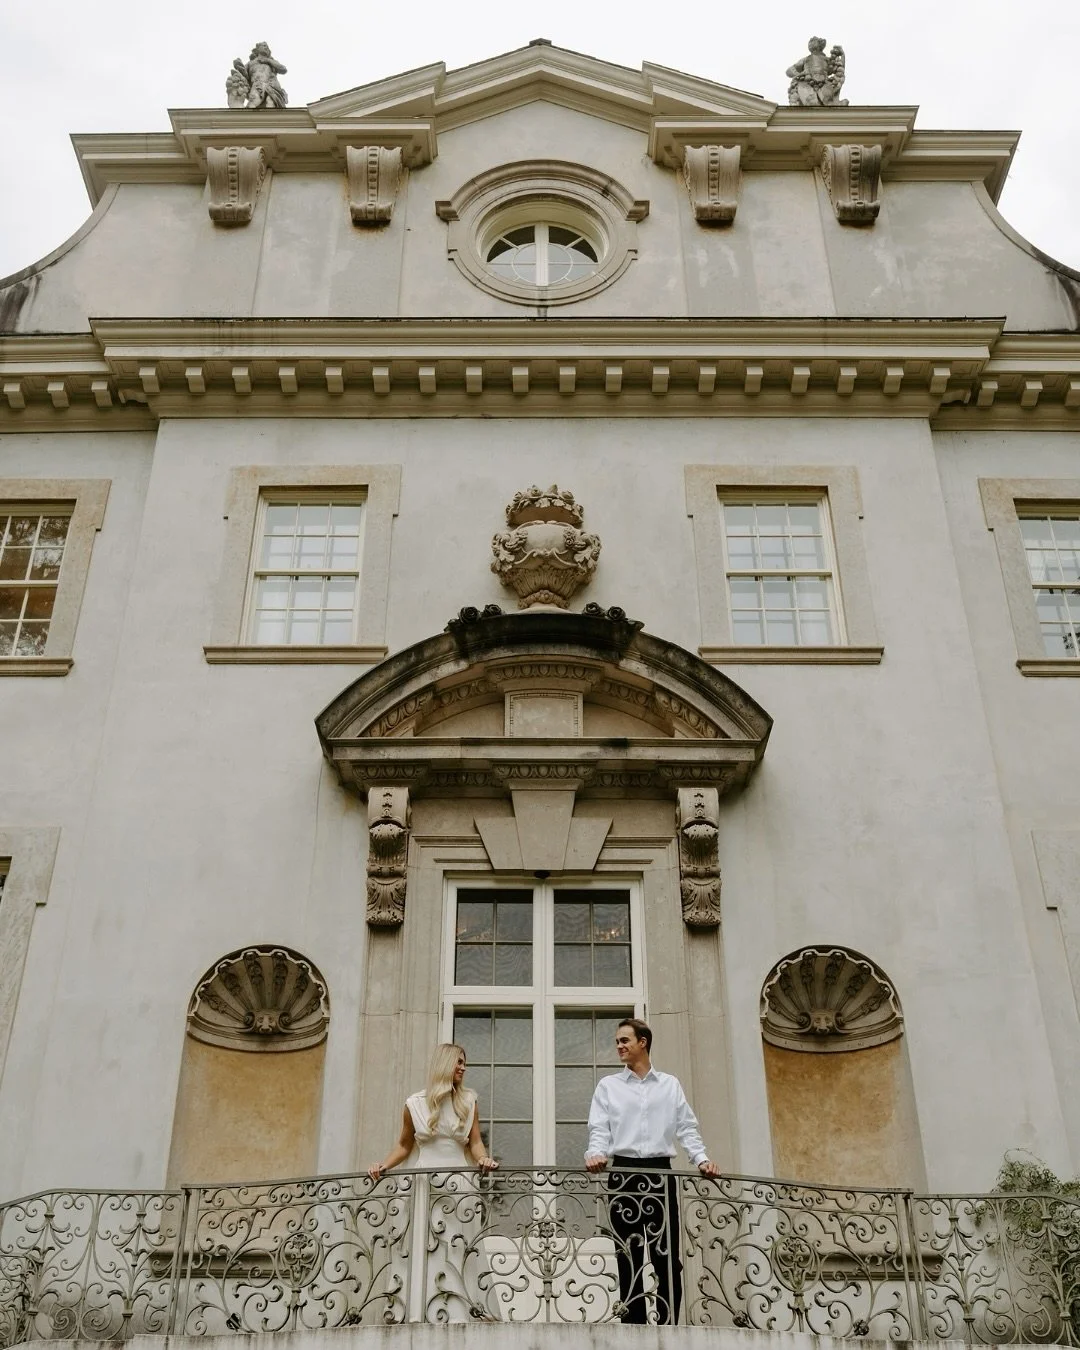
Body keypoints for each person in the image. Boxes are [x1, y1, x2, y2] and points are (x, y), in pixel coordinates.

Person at [585, 1018, 719, 1325]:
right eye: (618, 1041)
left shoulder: (669, 1085)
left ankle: (668, 1323)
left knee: (666, 1256)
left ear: (642, 1042)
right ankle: (634, 1326)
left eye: (624, 1041)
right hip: (624, 1173)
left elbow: (686, 1127)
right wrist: (595, 1155)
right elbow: (599, 1129)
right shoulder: (609, 1086)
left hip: (661, 1174)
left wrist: (701, 1159)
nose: (618, 1046)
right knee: (628, 1254)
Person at [368, 1043, 498, 1322]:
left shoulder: (469, 1101)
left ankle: (462, 1312)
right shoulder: (414, 1103)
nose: (463, 1067)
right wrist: (383, 1165)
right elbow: (403, 1145)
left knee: (457, 1244)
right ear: (444, 1064)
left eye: (465, 1063)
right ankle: (416, 1310)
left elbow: (475, 1142)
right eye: (458, 1062)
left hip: (459, 1184)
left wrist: (484, 1159)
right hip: (423, 1183)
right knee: (421, 1245)